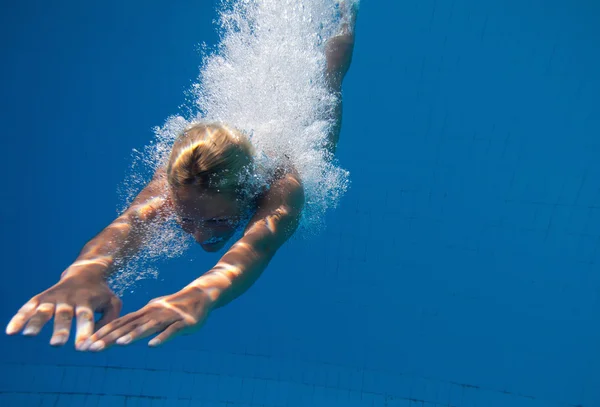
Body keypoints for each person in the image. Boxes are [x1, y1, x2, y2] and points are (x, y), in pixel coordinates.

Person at [5, 1, 359, 351]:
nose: (200, 234)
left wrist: (199, 295)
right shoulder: (179, 179)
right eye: (187, 219)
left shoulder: (283, 188)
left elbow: (258, 246)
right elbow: (130, 222)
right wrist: (83, 274)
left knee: (332, 69)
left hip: (294, 141)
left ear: (247, 192)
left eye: (219, 219)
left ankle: (346, 11)